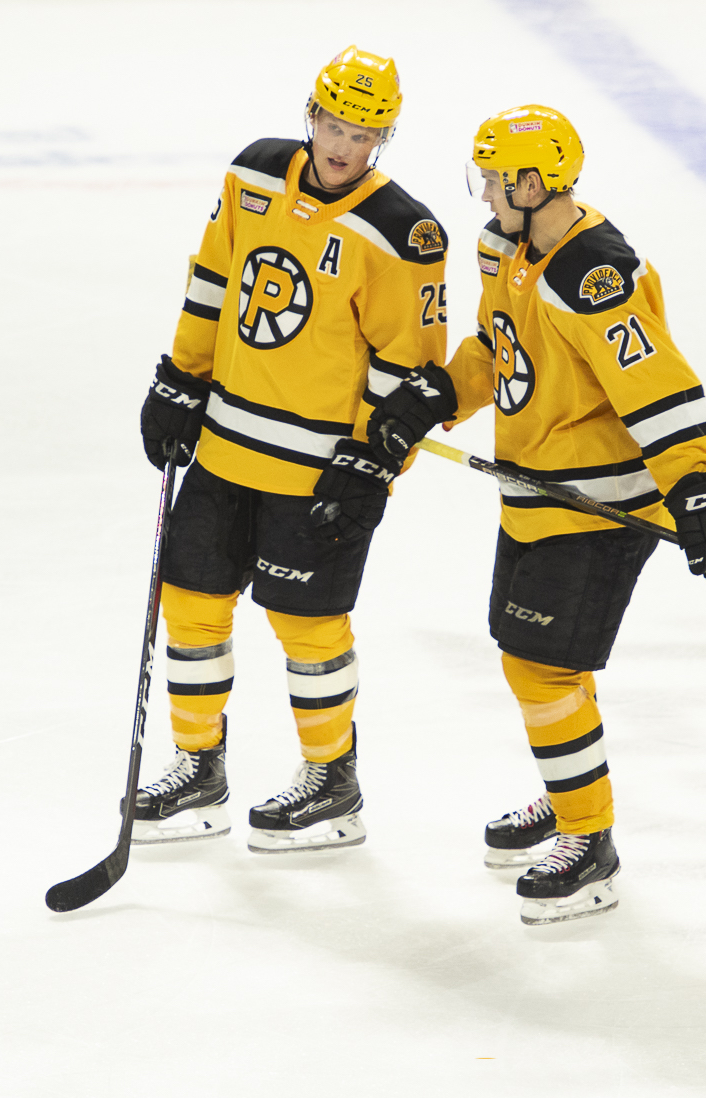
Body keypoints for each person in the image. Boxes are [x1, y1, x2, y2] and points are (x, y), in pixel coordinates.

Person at [379, 105, 706, 923]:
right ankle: (569, 785)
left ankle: (590, 841)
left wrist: (700, 488)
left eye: (496, 181)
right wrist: (441, 394)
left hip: (599, 505)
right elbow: (494, 347)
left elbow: (657, 387)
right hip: (534, 491)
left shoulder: (592, 274)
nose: (485, 196)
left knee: (537, 666)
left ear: (534, 183)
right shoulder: (504, 245)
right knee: (537, 658)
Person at [130, 46, 449, 854]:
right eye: (336, 124)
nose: (345, 145)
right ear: (311, 114)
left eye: (366, 132)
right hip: (227, 444)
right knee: (191, 601)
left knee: (308, 624)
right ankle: (198, 768)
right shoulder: (253, 175)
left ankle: (332, 784)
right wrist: (179, 378)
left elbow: (406, 369)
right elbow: (213, 278)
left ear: (385, 136)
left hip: (317, 470)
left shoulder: (403, 233)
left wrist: (375, 463)